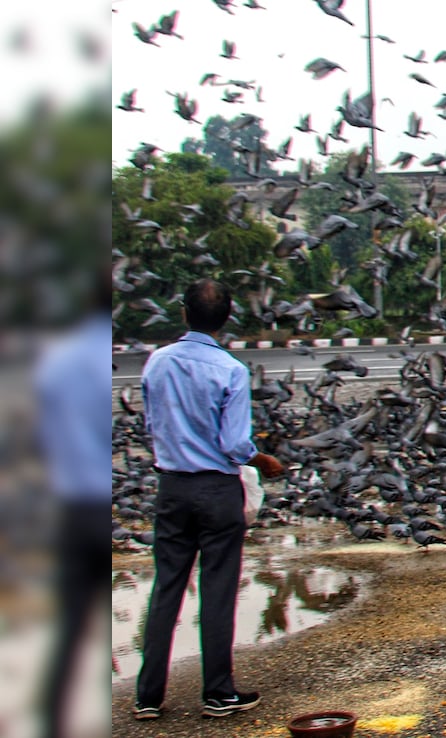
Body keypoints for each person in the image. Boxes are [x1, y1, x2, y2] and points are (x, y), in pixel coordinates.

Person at [134, 279, 285, 722]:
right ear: (227, 320)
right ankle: (218, 693)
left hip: (172, 487)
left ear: (183, 314)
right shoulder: (231, 369)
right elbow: (235, 443)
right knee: (217, 590)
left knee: (166, 587)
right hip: (217, 489)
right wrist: (264, 460)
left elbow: (152, 422)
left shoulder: (156, 363)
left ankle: (148, 696)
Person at [34, 276, 112, 738]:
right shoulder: (108, 361)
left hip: (67, 506)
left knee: (69, 624)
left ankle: (53, 718)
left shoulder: (56, 361)